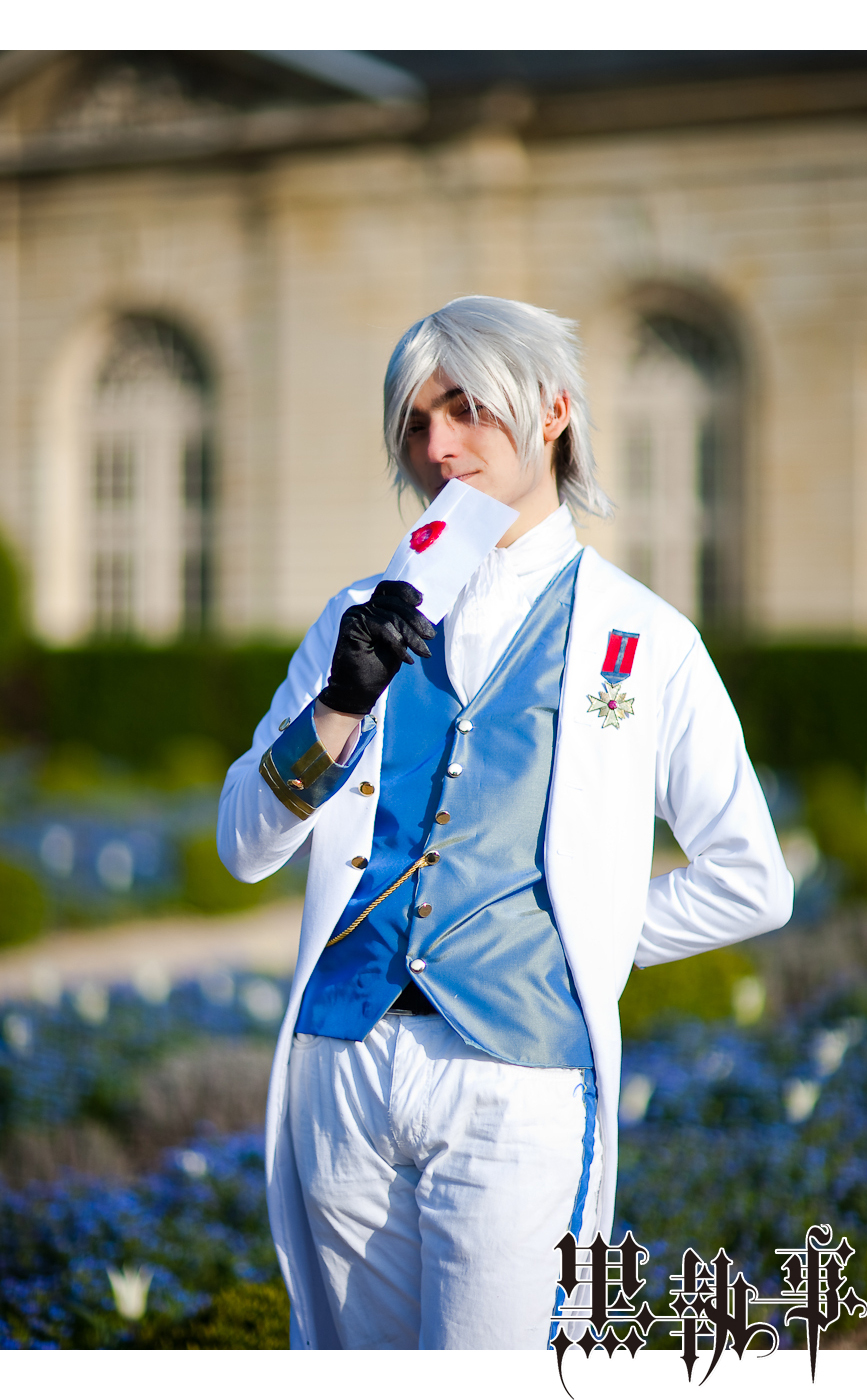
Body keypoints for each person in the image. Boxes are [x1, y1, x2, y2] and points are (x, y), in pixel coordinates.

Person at [217, 295, 793, 1352]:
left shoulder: (645, 637)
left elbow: (750, 876)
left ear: (554, 411)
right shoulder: (355, 615)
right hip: (341, 1070)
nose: (437, 445)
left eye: (467, 409)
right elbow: (244, 843)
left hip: (522, 1082)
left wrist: (581, 934)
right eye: (415, 422)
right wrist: (339, 707)